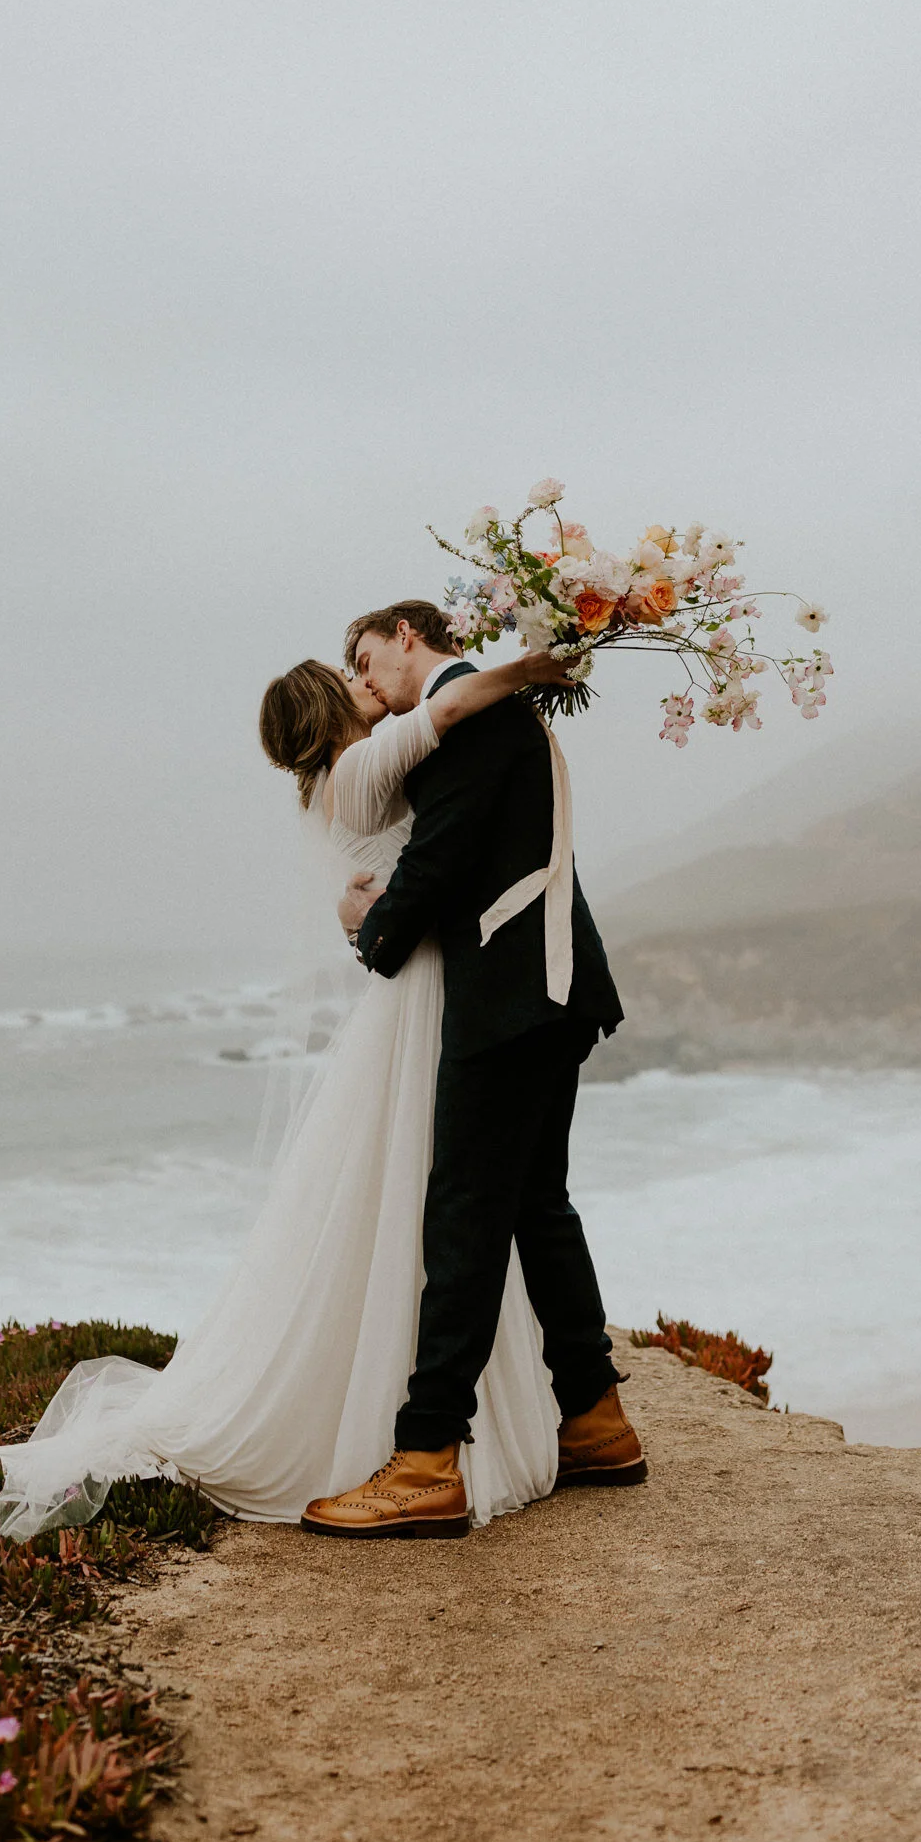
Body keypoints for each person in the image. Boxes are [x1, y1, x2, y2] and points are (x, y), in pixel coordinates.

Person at [0, 614, 586, 1535]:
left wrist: (356, 913)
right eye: (354, 676)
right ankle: (424, 1442)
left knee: (439, 1201)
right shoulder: (366, 766)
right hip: (425, 1004)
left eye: (367, 662)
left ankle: (440, 1427)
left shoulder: (341, 784)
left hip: (431, 997)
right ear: (334, 706)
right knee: (442, 1202)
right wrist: (527, 667)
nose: (366, 681)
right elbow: (443, 720)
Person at [299, 602, 644, 1540]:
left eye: (368, 657)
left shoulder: (471, 708)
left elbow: (442, 859)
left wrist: (367, 931)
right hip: (545, 986)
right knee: (535, 1202)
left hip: (509, 994)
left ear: (410, 635)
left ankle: (426, 1460)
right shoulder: (473, 707)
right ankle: (595, 1421)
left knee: (465, 1214)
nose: (365, 681)